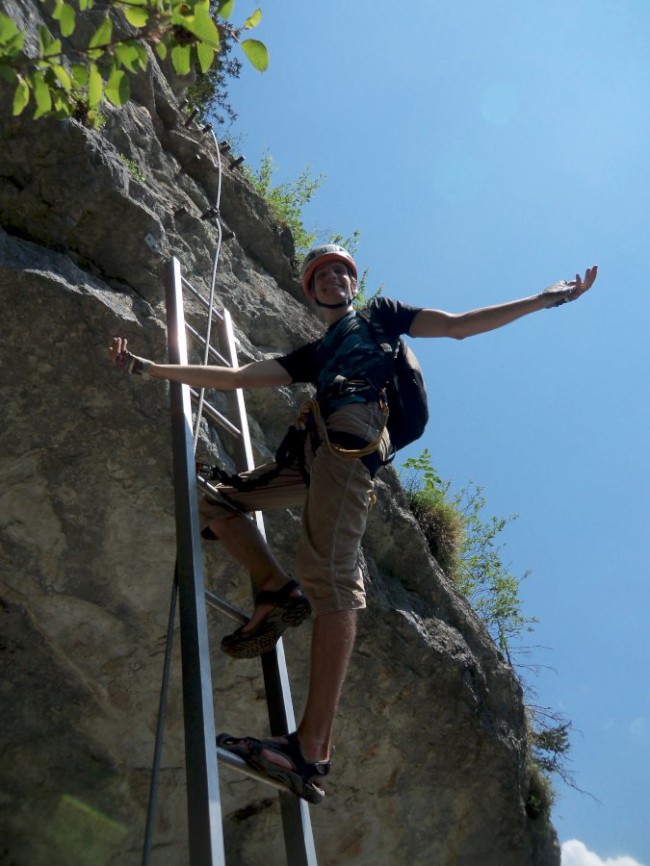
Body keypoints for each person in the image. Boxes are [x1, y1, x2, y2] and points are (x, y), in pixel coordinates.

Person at [109, 244, 597, 804]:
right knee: (215, 502)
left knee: (332, 578)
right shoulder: (317, 353)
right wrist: (150, 368)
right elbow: (238, 378)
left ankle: (309, 750)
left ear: (354, 284)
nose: (337, 276)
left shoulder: (381, 315)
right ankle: (274, 590)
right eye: (324, 274)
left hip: (349, 442)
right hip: (314, 456)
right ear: (310, 291)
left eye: (344, 270)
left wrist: (544, 299)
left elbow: (460, 326)